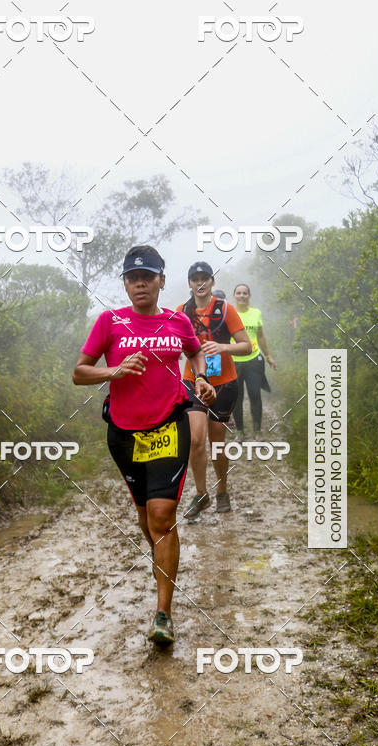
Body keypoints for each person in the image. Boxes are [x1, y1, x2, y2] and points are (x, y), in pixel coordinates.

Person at [72, 245, 216, 645]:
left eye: (148, 277)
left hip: (170, 424)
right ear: (125, 283)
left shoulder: (177, 320)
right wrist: (114, 369)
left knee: (162, 515)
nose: (140, 283)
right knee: (146, 518)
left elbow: (193, 353)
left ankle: (163, 613)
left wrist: (200, 378)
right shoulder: (109, 321)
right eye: (133, 278)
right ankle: (161, 560)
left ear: (161, 281)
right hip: (124, 433)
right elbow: (79, 373)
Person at [177, 262, 251, 519]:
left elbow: (247, 346)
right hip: (193, 380)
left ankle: (222, 489)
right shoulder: (181, 312)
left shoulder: (225, 309)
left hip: (224, 382)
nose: (200, 282)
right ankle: (201, 494)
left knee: (216, 442)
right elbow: (172, 347)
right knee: (196, 440)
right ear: (189, 283)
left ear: (211, 282)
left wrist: (222, 348)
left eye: (204, 278)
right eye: (194, 278)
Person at [232, 283, 277, 441]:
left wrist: (268, 355)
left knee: (255, 394)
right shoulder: (229, 313)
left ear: (249, 295)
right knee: (236, 397)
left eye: (245, 293)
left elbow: (261, 336)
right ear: (234, 296)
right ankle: (239, 431)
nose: (242, 296)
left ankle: (257, 431)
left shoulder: (256, 313)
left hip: (254, 360)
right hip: (234, 361)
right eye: (239, 293)